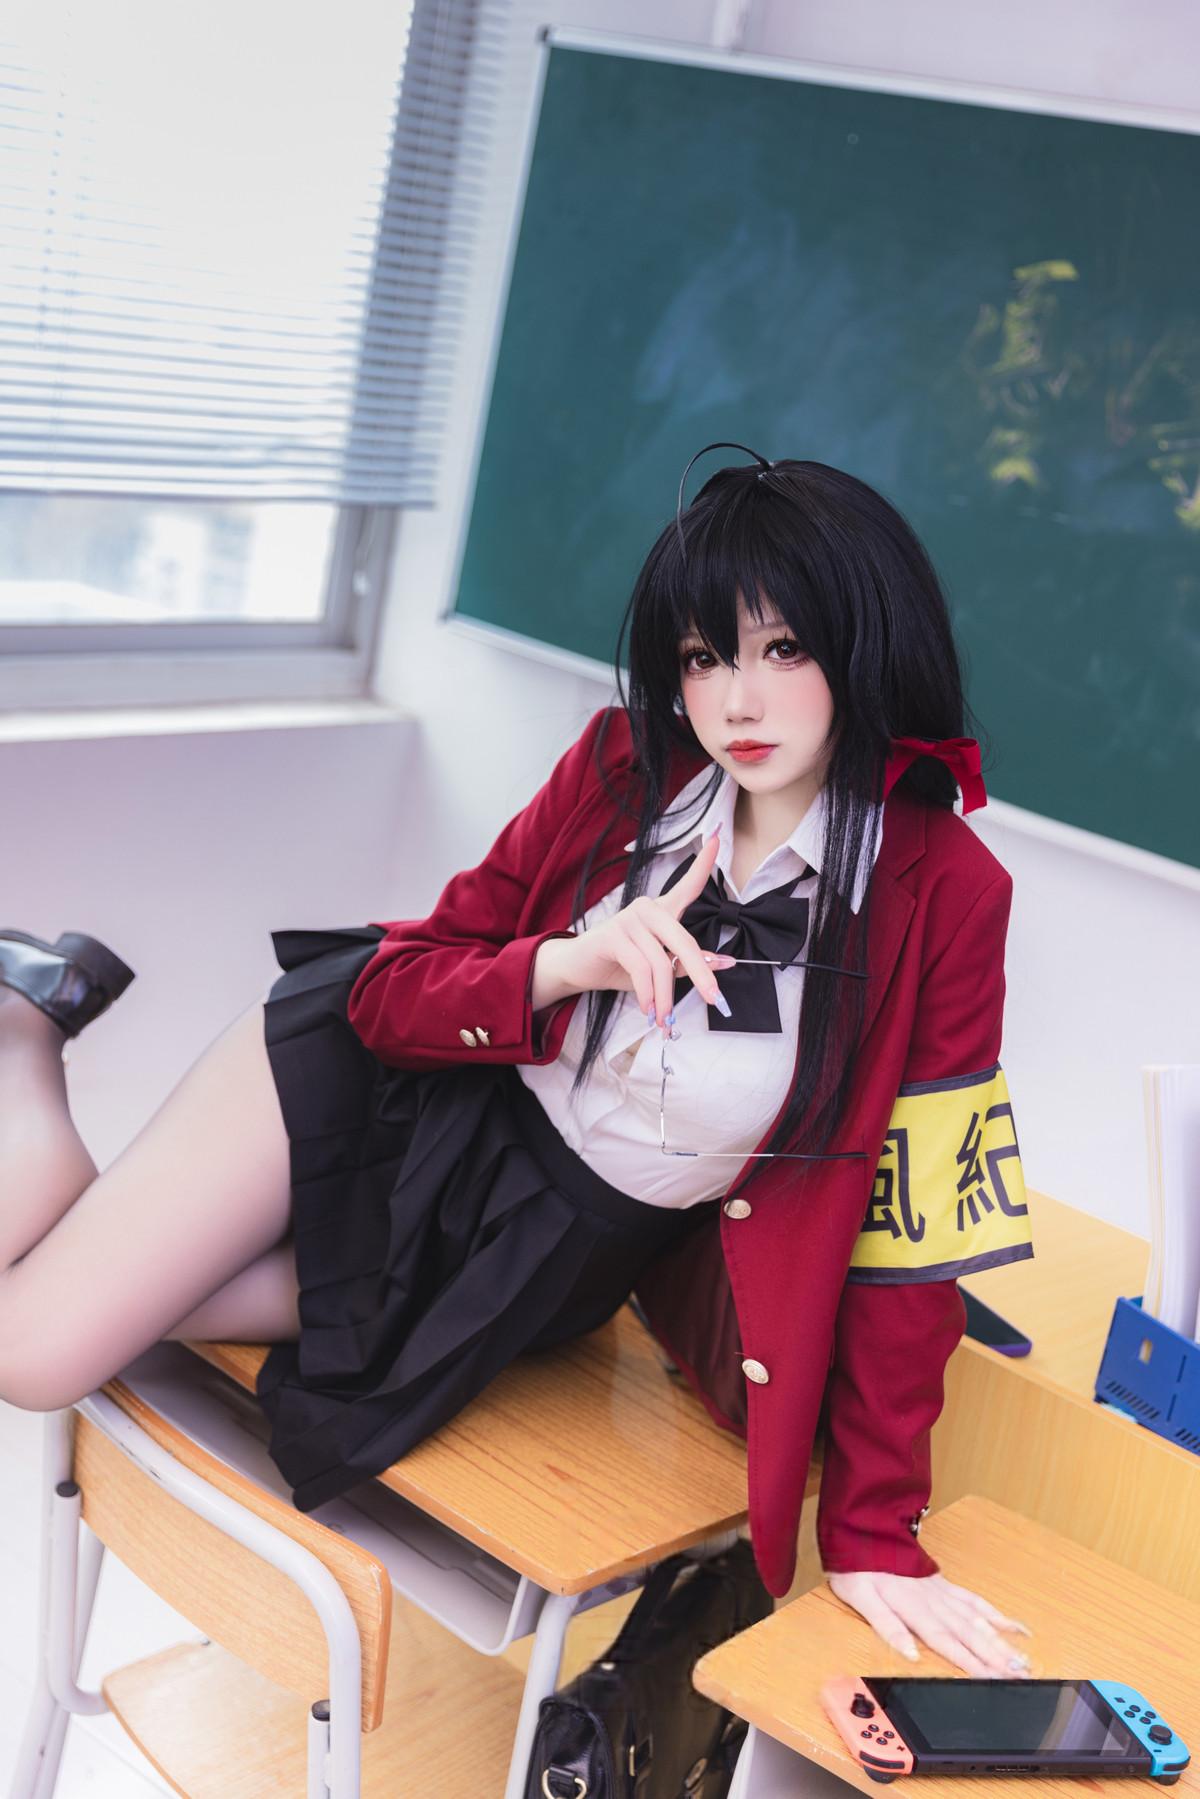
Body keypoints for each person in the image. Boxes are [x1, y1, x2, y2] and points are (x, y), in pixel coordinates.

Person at [0, 445, 1035, 1677]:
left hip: (540, 1253)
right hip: (386, 1101)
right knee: (35, 1348)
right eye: (704, 656)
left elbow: (914, 1234)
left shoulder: (944, 891)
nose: (736, 702)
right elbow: (399, 982)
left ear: (865, 641)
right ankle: (22, 1042)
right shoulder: (623, 767)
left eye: (783, 649)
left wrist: (875, 1534)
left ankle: (33, 1011)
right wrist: (565, 962)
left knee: (85, 1291)